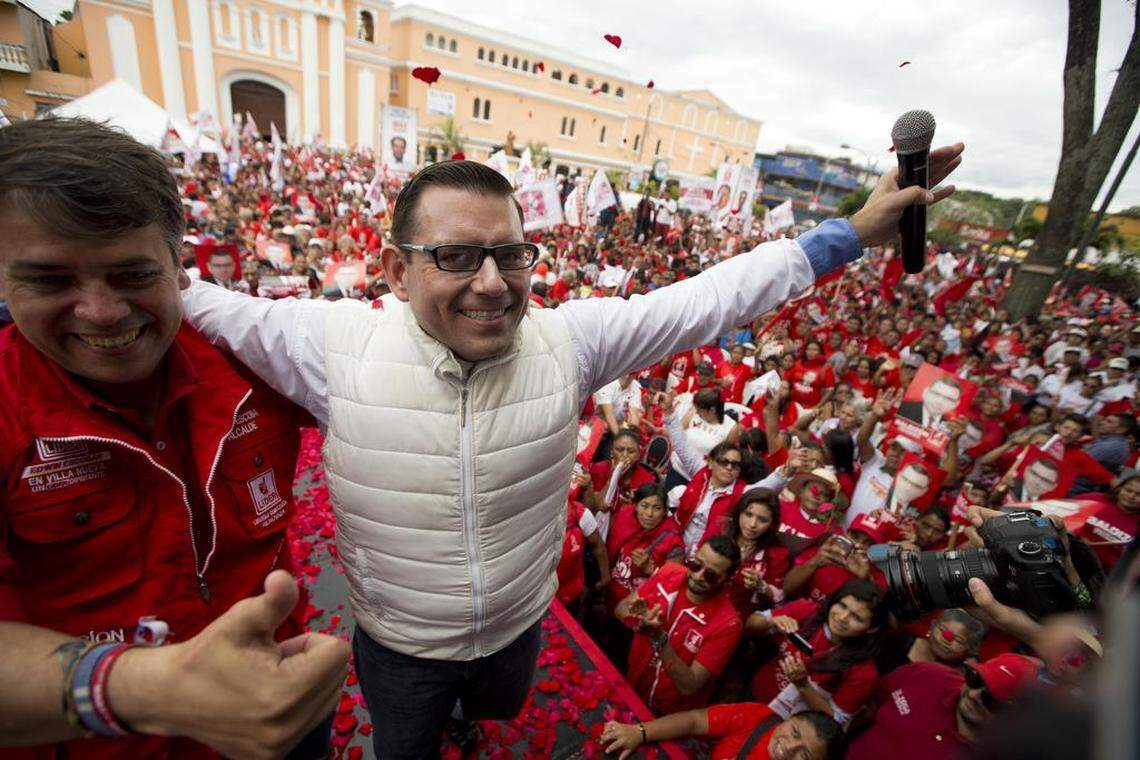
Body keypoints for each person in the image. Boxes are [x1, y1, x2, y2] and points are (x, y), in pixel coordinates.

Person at [180, 148, 965, 754]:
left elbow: (706, 299)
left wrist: (852, 233)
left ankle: (471, 715)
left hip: (518, 628)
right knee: (406, 748)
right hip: (402, 645)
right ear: (394, 269)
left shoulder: (569, 341)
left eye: (510, 254)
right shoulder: (328, 343)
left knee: (492, 710)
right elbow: (179, 295)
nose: (491, 283)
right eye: (456, 256)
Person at [0, 117, 349, 758]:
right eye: (50, 280)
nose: (101, 311)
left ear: (180, 267)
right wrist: (144, 690)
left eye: (132, 275)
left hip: (285, 718)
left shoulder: (255, 364)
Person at [615, 535, 744, 715]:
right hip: (632, 684)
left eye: (710, 575)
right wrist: (638, 623)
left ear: (726, 580)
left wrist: (659, 638)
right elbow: (621, 607)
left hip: (669, 714)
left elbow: (689, 685)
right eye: (696, 565)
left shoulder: (728, 625)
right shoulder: (669, 572)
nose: (698, 576)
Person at [745, 579, 888, 728]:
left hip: (787, 728)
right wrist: (772, 621)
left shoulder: (864, 672)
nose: (842, 617)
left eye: (856, 617)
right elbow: (750, 624)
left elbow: (834, 722)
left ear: (872, 628)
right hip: (754, 695)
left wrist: (803, 686)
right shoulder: (807, 611)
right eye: (842, 605)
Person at [845, 653, 1039, 760]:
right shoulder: (928, 675)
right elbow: (871, 702)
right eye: (975, 680)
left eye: (990, 699)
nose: (973, 695)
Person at [600, 704, 845, 760]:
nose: (789, 748)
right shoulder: (759, 718)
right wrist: (638, 732)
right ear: (788, 719)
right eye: (794, 733)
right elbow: (695, 721)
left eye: (805, 755)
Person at [723, 489, 791, 618]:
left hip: (737, 619)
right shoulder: (721, 529)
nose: (752, 524)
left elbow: (779, 600)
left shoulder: (777, 553)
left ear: (772, 524)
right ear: (738, 512)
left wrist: (761, 586)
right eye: (748, 514)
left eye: (762, 520)